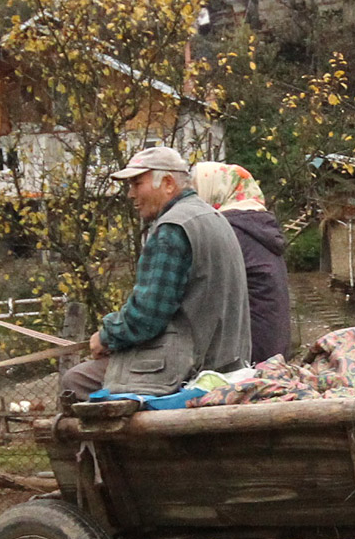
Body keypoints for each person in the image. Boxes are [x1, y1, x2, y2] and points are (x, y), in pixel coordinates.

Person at [59, 146, 251, 401]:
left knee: (75, 381)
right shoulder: (213, 217)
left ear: (168, 183)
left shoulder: (172, 228)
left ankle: (113, 443)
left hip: (188, 367)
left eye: (137, 183)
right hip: (228, 359)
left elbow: (146, 316)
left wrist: (105, 337)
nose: (131, 194)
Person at [193, 160, 292, 364]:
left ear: (214, 190)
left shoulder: (229, 230)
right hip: (273, 345)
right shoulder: (255, 226)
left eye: (195, 190)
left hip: (248, 351)